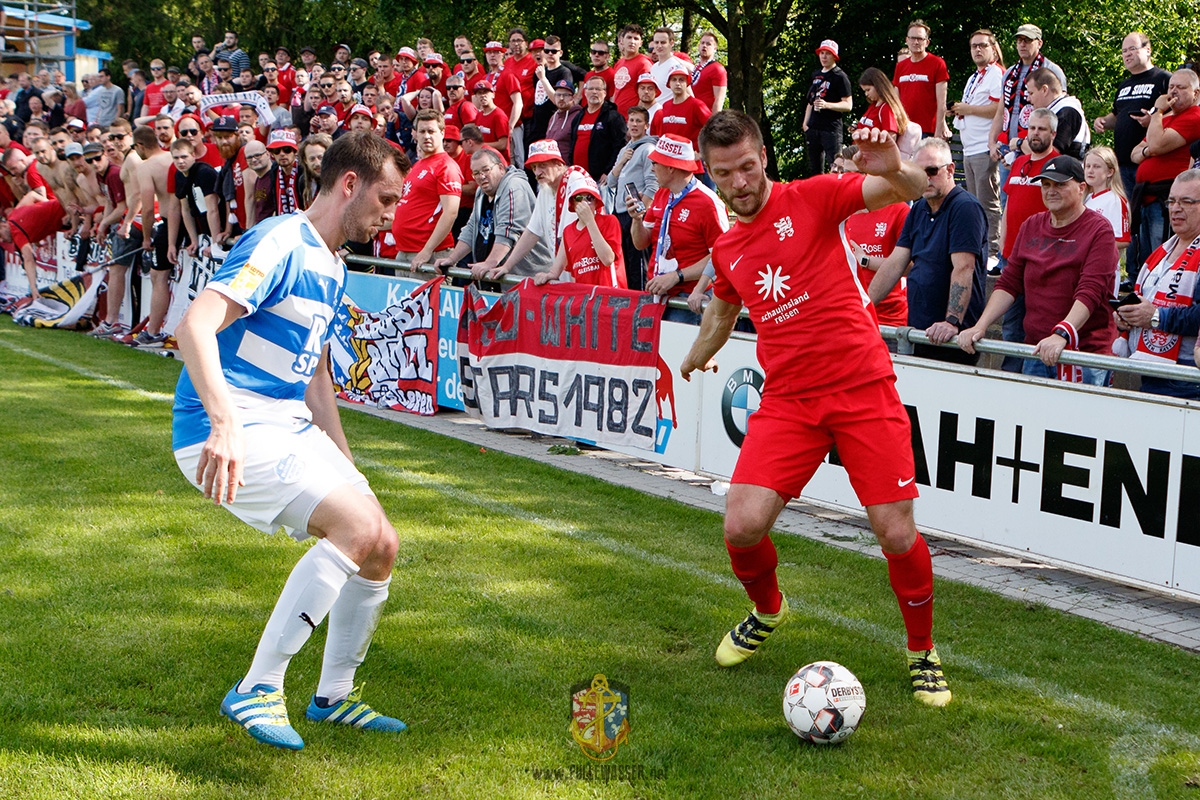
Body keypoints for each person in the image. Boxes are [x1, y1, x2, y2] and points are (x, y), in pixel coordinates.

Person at [684, 111, 951, 706]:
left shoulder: (813, 196)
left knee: (895, 532)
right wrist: (695, 356)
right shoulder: (726, 247)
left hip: (862, 388)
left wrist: (897, 167)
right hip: (789, 400)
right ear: (710, 173)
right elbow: (723, 312)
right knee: (741, 526)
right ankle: (767, 608)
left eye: (747, 166)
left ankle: (921, 650)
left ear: (763, 158)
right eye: (724, 173)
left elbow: (909, 189)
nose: (739, 182)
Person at [172, 131, 409, 751]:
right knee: (355, 531)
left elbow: (316, 376)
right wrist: (223, 423)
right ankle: (257, 686)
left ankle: (333, 697)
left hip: (285, 421)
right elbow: (195, 326)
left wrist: (346, 464)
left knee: (381, 543)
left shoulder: (334, 264)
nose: (390, 214)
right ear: (349, 184)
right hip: (227, 422)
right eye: (386, 198)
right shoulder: (281, 241)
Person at [959, 155, 1118, 384]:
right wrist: (980, 326)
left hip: (1083, 355)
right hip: (1036, 349)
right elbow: (1009, 282)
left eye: (1060, 185)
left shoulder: (1099, 230)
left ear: (1082, 187)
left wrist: (1062, 332)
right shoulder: (1031, 225)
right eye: (1046, 184)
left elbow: (1091, 290)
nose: (1051, 191)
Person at [867, 138, 988, 363]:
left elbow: (964, 267)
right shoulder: (919, 208)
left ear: (950, 170)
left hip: (953, 338)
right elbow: (895, 263)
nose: (926, 178)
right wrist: (865, 306)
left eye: (932, 171)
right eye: (919, 172)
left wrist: (952, 321)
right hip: (920, 330)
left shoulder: (965, 208)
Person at [1114, 168, 1200, 399]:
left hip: (1188, 379)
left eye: (1186, 201)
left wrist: (1155, 317)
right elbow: (1146, 302)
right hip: (1151, 370)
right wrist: (1128, 316)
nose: (1175, 208)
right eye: (1171, 201)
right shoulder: (1162, 251)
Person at [627, 134, 728, 323]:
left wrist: (677, 276)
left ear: (671, 167)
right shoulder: (661, 194)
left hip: (689, 300)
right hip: (657, 294)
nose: (652, 168)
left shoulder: (708, 203)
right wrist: (637, 219)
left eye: (656, 163)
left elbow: (722, 256)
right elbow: (641, 243)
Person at [435, 146, 545, 278]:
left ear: (500, 168)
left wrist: (490, 263)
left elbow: (508, 230)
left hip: (525, 276)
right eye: (476, 173)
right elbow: (472, 228)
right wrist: (452, 259)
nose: (481, 176)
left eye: (486, 170)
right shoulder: (481, 191)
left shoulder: (514, 186)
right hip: (494, 275)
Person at [1130, 69, 1200, 270]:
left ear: (1195, 93)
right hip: (1146, 197)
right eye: (1171, 87)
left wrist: (1157, 112)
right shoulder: (1165, 119)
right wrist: (1149, 150)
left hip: (1166, 198)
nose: (1173, 92)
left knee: (1162, 253)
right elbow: (1135, 153)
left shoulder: (1194, 116)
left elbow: (1157, 144)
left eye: (1181, 87)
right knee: (1145, 255)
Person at [989, 24, 1066, 197]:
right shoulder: (1010, 73)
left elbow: (1059, 109)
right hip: (1008, 148)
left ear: (1039, 43)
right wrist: (992, 142)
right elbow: (1001, 111)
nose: (1022, 44)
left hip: (1035, 147)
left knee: (1035, 197)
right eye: (1019, 40)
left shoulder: (1051, 71)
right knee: (1007, 199)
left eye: (1027, 40)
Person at [1094, 32, 1172, 199]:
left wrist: (1155, 119)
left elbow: (1179, 113)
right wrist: (1103, 121)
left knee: (1151, 212)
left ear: (1148, 50)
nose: (1127, 54)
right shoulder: (1124, 85)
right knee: (1127, 212)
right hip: (1123, 165)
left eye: (1132, 49)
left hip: (1150, 160)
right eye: (1124, 51)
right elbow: (1117, 115)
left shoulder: (1164, 79)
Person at [951, 30, 1004, 261]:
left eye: (983, 45)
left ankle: (992, 251)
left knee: (987, 202)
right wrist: (958, 110)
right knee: (975, 202)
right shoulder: (975, 76)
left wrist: (968, 109)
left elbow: (999, 108)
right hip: (970, 147)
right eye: (974, 46)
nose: (978, 50)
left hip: (984, 146)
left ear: (993, 49)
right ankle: (981, 248)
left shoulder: (996, 74)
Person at [485, 139, 569, 280]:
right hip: (564, 274)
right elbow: (531, 232)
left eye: (543, 165)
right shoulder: (545, 191)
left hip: (585, 270)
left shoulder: (574, 182)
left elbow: (571, 235)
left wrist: (553, 273)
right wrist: (507, 266)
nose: (537, 172)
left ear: (559, 164)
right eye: (534, 167)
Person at [388, 109, 461, 269]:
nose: (427, 136)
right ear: (415, 134)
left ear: (442, 133)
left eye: (431, 131)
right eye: (422, 131)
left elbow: (451, 212)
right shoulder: (418, 165)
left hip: (429, 255)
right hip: (404, 251)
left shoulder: (446, 166)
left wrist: (427, 250)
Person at [535, 170, 625, 287]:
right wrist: (547, 275)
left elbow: (607, 259)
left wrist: (590, 222)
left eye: (589, 198)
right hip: (586, 296)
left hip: (610, 294)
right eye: (578, 198)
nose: (584, 203)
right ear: (573, 203)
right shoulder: (568, 231)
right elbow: (571, 274)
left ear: (596, 201)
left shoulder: (609, 221)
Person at [608, 106, 658, 289]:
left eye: (639, 121)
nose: (634, 124)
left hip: (636, 215)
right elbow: (611, 182)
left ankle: (641, 299)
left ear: (646, 125)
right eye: (631, 120)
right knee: (625, 264)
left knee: (638, 266)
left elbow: (653, 184)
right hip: (620, 212)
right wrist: (622, 161)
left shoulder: (648, 149)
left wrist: (640, 213)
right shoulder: (625, 150)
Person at [892, 19, 950, 140]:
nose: (916, 42)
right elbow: (895, 101)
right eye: (912, 38)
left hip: (928, 130)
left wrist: (938, 132)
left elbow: (941, 102)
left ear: (927, 42)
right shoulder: (900, 66)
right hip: (904, 129)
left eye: (920, 39)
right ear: (907, 40)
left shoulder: (937, 63)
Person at [803, 40, 852, 175]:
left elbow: (848, 105)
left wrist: (827, 105)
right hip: (813, 127)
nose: (824, 57)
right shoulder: (816, 75)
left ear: (834, 56)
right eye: (822, 53)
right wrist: (805, 124)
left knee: (835, 166)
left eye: (828, 54)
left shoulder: (840, 76)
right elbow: (810, 101)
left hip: (831, 129)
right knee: (814, 170)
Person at [568, 75, 626, 182]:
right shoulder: (578, 117)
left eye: (598, 89)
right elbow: (572, 143)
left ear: (604, 93)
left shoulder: (613, 117)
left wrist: (608, 171)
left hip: (600, 178)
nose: (594, 92)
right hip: (578, 176)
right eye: (591, 89)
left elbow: (620, 146)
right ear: (585, 92)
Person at [1083, 146, 1130, 272]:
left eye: (1096, 167)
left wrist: (1092, 249)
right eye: (1087, 166)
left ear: (1110, 172)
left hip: (1104, 269)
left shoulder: (1115, 200)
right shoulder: (1085, 198)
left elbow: (1122, 240)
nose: (1090, 171)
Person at [1025, 68, 1089, 160]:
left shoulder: (1068, 112)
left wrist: (1019, 144)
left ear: (1044, 90)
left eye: (1031, 93)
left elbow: (1050, 155)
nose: (1028, 99)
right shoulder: (1055, 110)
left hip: (1066, 168)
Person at [611, 24, 653, 118]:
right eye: (629, 37)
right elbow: (617, 91)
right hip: (617, 118)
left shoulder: (644, 63)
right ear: (622, 40)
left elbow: (646, 95)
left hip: (632, 120)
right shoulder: (619, 63)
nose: (632, 41)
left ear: (641, 43)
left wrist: (635, 118)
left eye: (636, 38)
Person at [691, 31, 728, 112]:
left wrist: (714, 119)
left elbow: (719, 99)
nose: (704, 46)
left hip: (707, 115)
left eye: (708, 44)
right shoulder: (696, 68)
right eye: (702, 43)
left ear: (715, 48)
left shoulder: (717, 69)